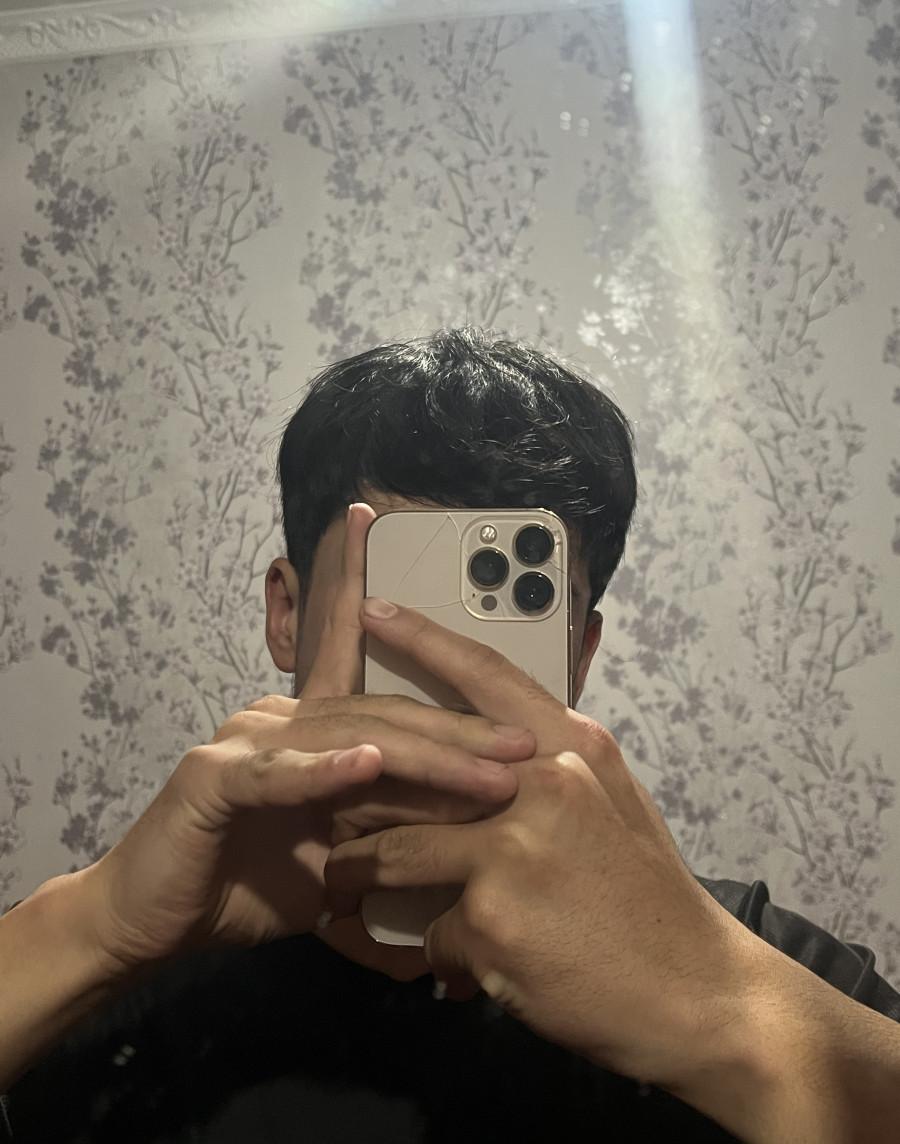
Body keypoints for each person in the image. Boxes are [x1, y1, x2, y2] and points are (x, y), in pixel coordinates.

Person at [1, 327, 900, 1144]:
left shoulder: (768, 968)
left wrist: (718, 1009)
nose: (444, 679)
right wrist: (92, 929)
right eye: (393, 604)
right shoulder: (105, 992)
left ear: (579, 656)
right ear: (287, 614)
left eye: (509, 618)